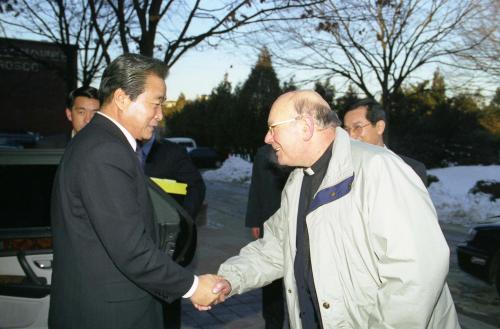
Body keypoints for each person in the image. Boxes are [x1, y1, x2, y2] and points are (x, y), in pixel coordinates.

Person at [213, 90, 459, 328]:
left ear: (306, 126)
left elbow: (417, 272)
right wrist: (229, 279)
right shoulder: (297, 180)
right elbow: (277, 246)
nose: (267, 138)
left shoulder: (378, 169)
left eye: (273, 127)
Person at [49, 53, 220, 329]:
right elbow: (131, 250)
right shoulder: (105, 151)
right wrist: (193, 286)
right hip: (111, 316)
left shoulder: (98, 143)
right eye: (156, 103)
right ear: (121, 98)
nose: (160, 115)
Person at [140, 133, 206, 329]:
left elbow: (196, 186)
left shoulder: (172, 152)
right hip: (131, 239)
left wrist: (181, 220)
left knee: (166, 305)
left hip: (164, 245)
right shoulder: (118, 149)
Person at [246, 144, 290, 329]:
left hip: (295, 221)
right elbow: (256, 187)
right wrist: (255, 220)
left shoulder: (301, 151)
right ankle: (272, 323)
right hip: (268, 222)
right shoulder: (263, 153)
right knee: (271, 280)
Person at [343, 98, 428, 186]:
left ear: (380, 127)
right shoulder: (342, 170)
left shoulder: (410, 169)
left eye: (357, 127)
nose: (350, 135)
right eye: (346, 129)